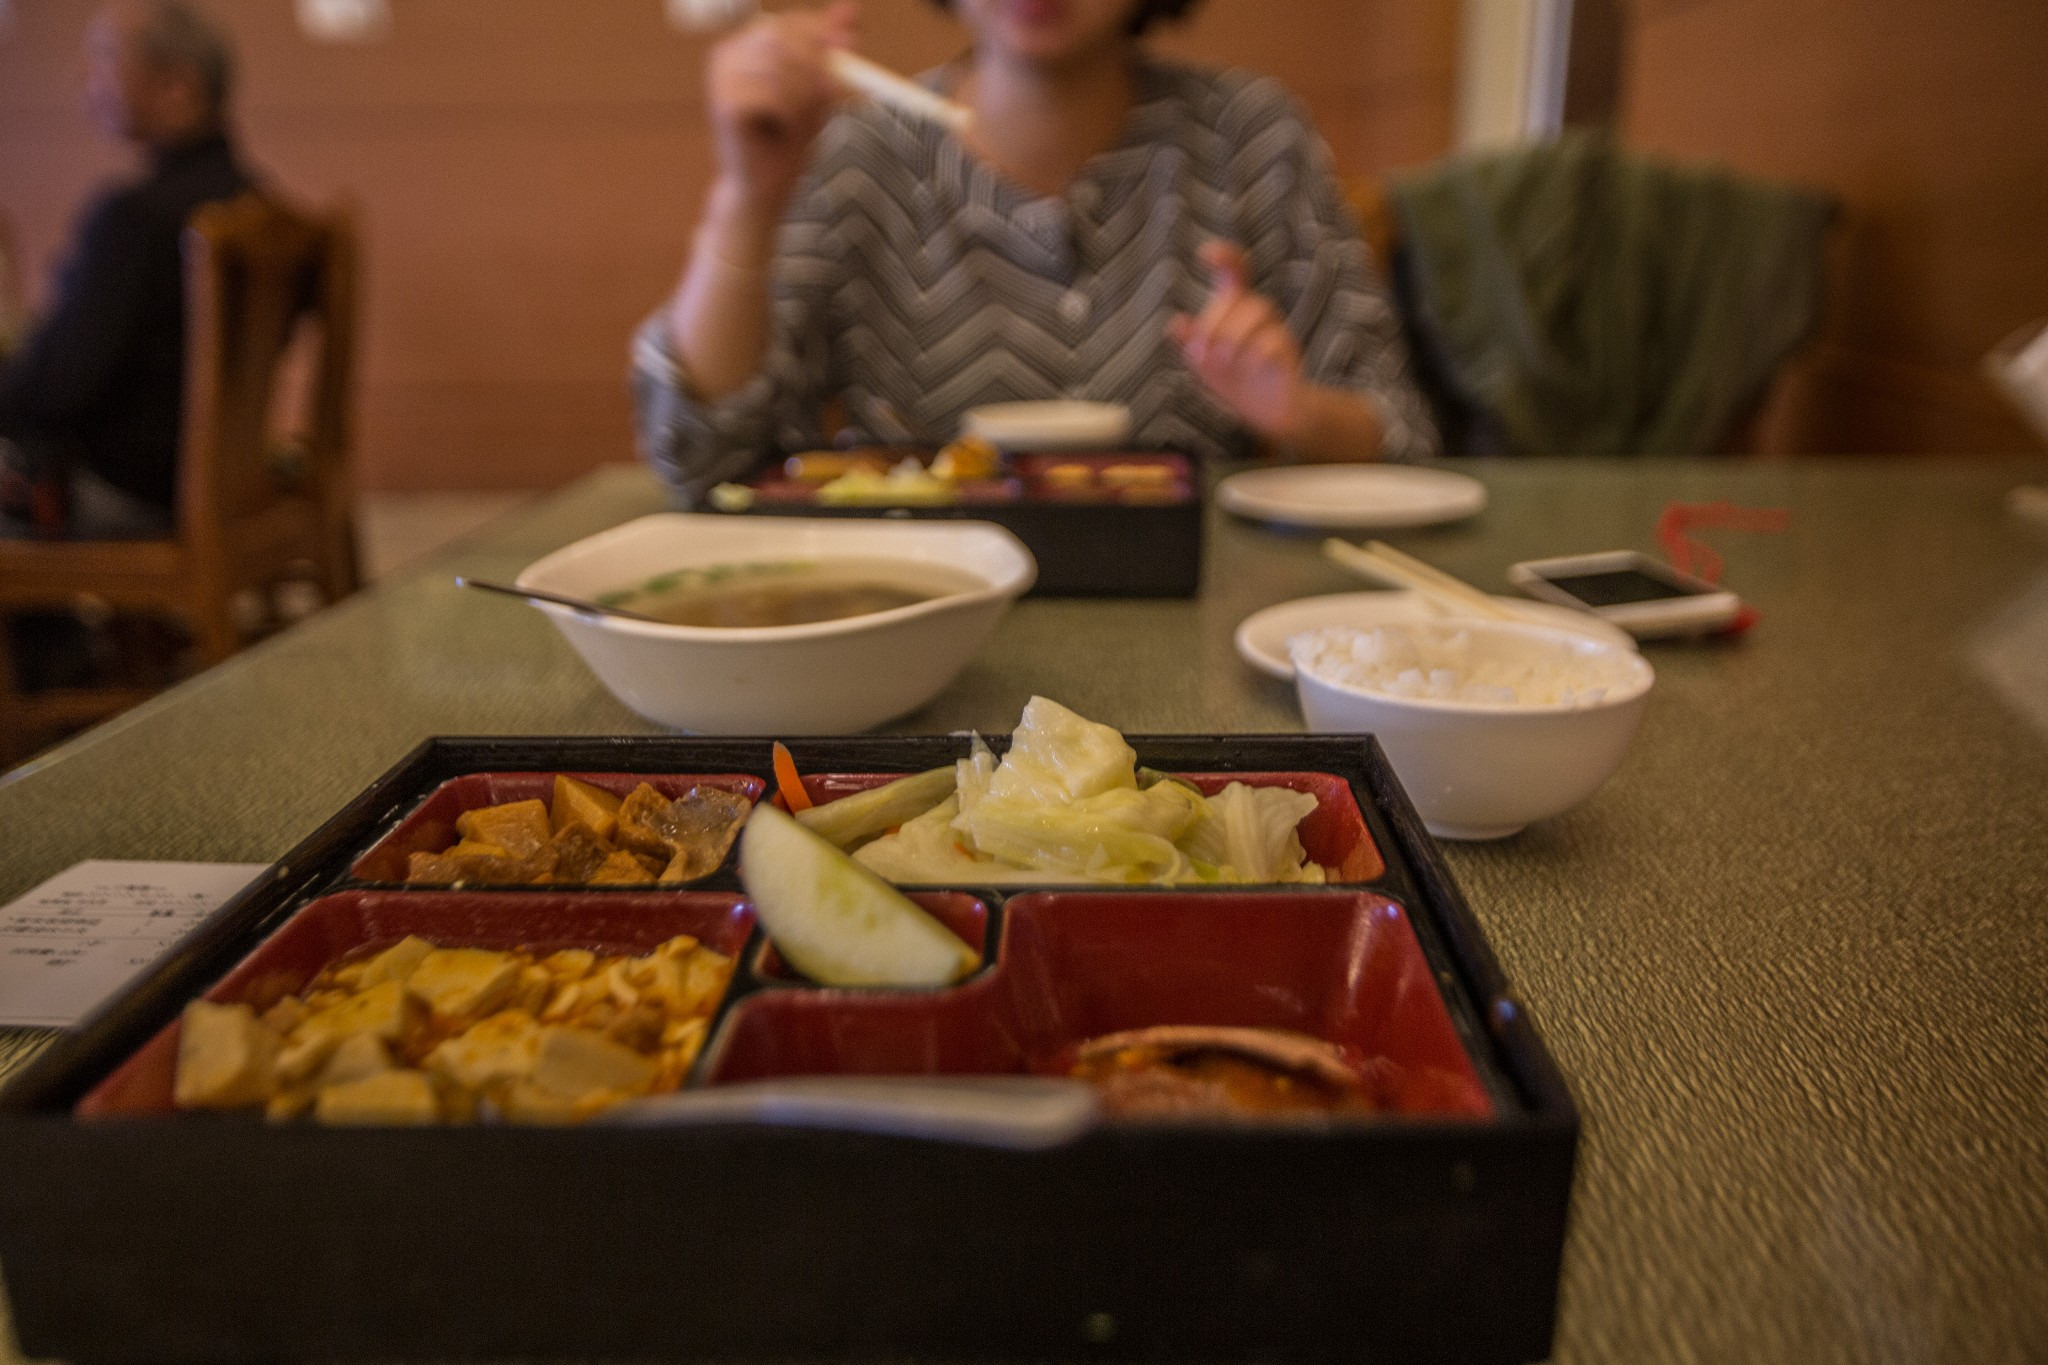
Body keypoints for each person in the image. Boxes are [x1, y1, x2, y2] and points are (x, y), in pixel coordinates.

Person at [634, 0, 1439, 505]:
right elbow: (702, 461)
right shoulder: (864, 154)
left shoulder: (1250, 136)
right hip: (915, 613)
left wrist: (1297, 413)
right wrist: (748, 196)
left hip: (1183, 609)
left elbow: (1402, 436)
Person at [0, 0, 252, 539]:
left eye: (105, 56)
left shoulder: (138, 219)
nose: (84, 76)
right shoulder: (253, 204)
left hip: (130, 496)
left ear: (175, 87)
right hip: (217, 485)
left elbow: (51, 394)